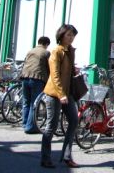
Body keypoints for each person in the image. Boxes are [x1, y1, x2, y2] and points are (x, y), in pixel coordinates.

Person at [40, 24, 79, 169]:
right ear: (61, 36)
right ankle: (45, 158)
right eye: (68, 35)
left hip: (67, 93)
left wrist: (74, 71)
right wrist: (61, 95)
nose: (71, 37)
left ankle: (67, 156)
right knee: (51, 125)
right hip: (54, 93)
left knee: (74, 121)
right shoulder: (56, 51)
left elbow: (67, 72)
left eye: (73, 35)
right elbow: (55, 75)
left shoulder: (70, 51)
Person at [20, 36, 51, 134]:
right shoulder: (46, 53)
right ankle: (30, 127)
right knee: (34, 103)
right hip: (37, 78)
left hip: (25, 77)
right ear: (46, 44)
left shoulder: (30, 51)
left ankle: (25, 124)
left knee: (26, 102)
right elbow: (49, 67)